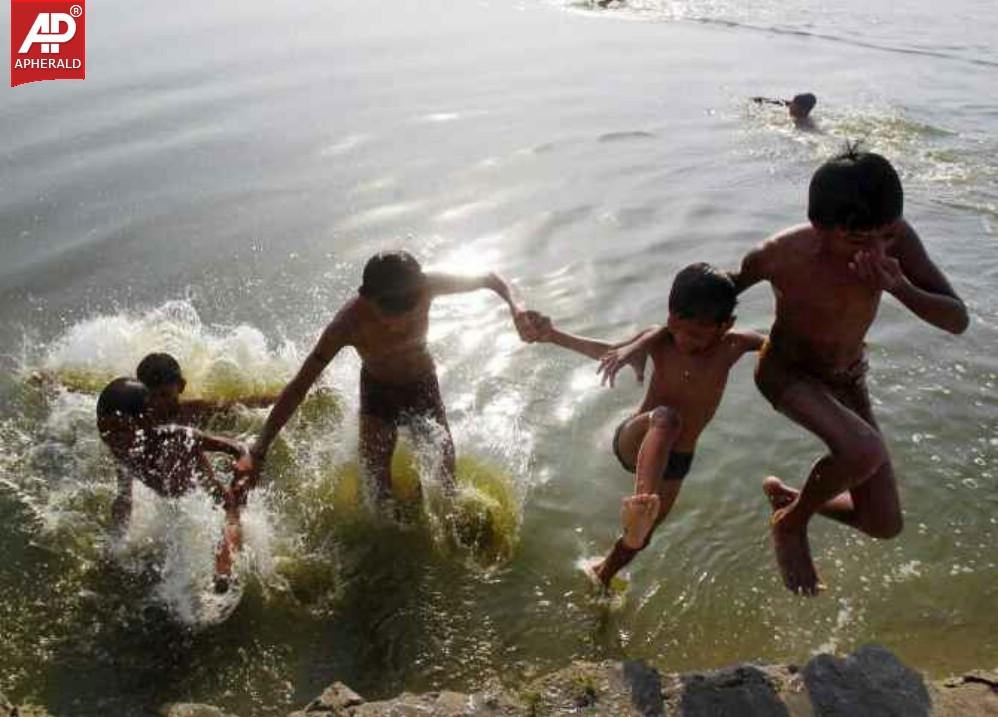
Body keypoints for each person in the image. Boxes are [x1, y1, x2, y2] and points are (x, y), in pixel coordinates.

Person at [729, 147, 968, 596]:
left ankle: (791, 498)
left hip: (847, 377)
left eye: (887, 235)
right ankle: (791, 525)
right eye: (860, 241)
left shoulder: (898, 241)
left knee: (883, 523)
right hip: (787, 372)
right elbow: (714, 298)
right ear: (822, 230)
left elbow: (957, 319)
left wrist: (899, 287)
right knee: (863, 448)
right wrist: (664, 345)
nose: (878, 250)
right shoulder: (778, 255)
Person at [236, 250, 543, 506]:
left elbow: (491, 278)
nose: (399, 327)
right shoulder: (346, 326)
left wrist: (518, 308)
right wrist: (259, 449)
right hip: (378, 393)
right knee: (377, 496)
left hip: (422, 383)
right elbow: (301, 384)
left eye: (409, 316)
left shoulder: (427, 285)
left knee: (445, 484)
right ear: (367, 298)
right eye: (390, 316)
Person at [533, 263, 764, 589]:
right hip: (637, 438)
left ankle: (602, 575)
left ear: (726, 326)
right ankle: (641, 503)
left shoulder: (734, 346)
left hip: (677, 460)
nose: (686, 341)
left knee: (641, 538)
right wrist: (554, 336)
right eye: (679, 329)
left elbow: (781, 346)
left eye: (699, 337)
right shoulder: (660, 341)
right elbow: (608, 352)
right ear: (671, 318)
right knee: (667, 418)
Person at [97, 377, 251, 592]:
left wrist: (243, 464)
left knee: (227, 516)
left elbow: (237, 447)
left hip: (213, 497)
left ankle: (224, 571)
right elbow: (124, 498)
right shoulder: (121, 450)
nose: (111, 437)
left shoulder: (175, 437)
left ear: (145, 421)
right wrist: (113, 547)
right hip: (177, 499)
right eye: (103, 428)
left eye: (120, 428)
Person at [136, 352, 279, 426]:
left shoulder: (192, 411)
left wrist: (281, 399)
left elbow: (240, 405)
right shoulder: (137, 418)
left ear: (181, 386)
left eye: (164, 395)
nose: (157, 403)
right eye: (151, 396)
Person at [752, 92, 817, 129]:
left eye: (793, 104)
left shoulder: (800, 124)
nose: (790, 106)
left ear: (803, 110)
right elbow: (783, 102)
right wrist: (764, 100)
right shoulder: (802, 113)